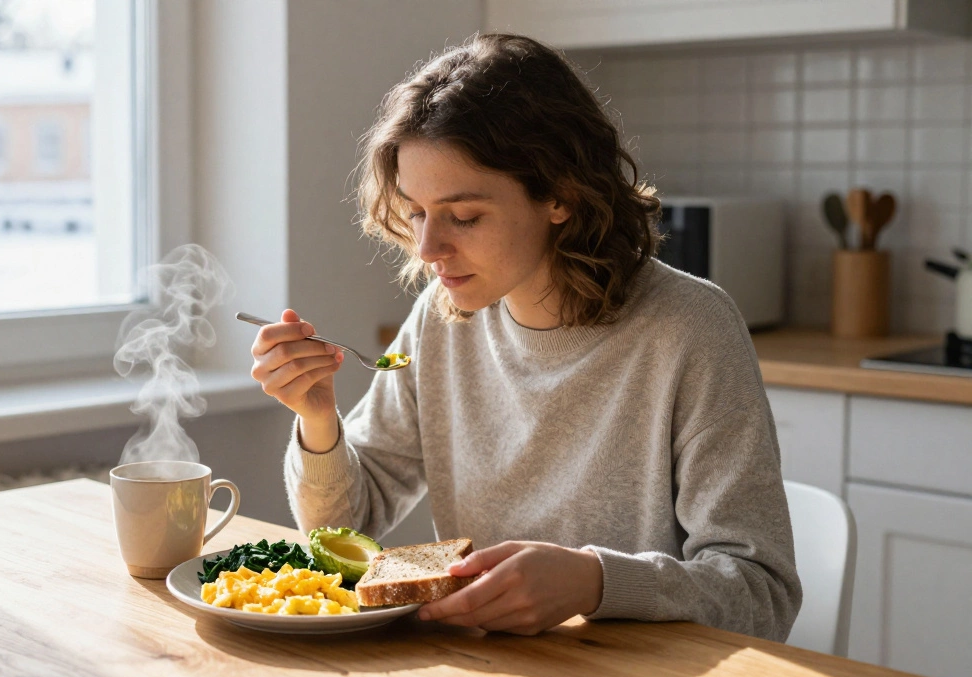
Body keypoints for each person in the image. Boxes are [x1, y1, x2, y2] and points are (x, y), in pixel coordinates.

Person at [247, 33, 800, 641]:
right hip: (488, 673)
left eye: (463, 216)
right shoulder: (441, 318)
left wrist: (594, 581)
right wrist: (319, 418)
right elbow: (347, 528)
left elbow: (760, 592)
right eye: (416, 211)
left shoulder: (689, 328)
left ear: (560, 195)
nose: (429, 249)